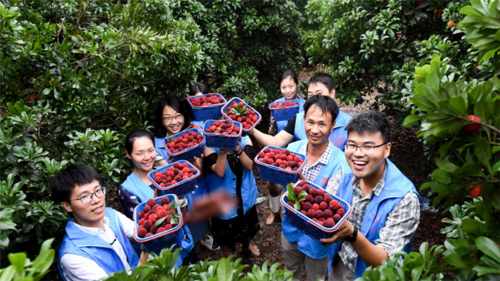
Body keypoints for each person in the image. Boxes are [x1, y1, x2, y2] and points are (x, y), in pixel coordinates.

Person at [54, 164, 235, 281]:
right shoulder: (73, 257)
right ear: (67, 206)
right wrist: (143, 258)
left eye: (97, 191)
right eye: (85, 196)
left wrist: (174, 210)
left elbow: (147, 231)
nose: (96, 200)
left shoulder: (110, 216)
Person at [321, 111, 423, 280]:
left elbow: (386, 261)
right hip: (341, 264)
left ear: (386, 149)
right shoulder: (344, 174)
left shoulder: (405, 198)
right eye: (352, 145)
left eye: (368, 146)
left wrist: (352, 234)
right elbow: (326, 204)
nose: (358, 154)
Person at [280, 95, 350, 281]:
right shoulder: (292, 149)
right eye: (310, 122)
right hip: (290, 228)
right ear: (303, 120)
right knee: (291, 271)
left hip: (318, 240)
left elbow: (331, 208)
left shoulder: (341, 164)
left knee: (316, 277)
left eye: (322, 124)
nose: (315, 130)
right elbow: (275, 189)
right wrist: (274, 177)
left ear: (333, 125)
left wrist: (305, 189)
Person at [153, 96, 217, 251]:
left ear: (184, 115)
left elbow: (198, 173)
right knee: (180, 231)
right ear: (161, 121)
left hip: (195, 193)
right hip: (175, 196)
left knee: (198, 225)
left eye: (177, 116)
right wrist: (174, 161)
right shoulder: (157, 143)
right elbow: (166, 176)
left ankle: (200, 243)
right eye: (167, 118)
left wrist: (192, 160)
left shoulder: (194, 133)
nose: (173, 122)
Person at [249, 72, 352, 151]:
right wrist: (252, 130)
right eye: (311, 95)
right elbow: (276, 142)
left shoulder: (349, 124)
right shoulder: (299, 118)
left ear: (332, 93)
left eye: (319, 93)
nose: (316, 99)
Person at [205, 135, 261, 258]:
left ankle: (246, 246)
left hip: (244, 194)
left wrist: (238, 149)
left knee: (244, 223)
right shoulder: (209, 146)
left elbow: (249, 166)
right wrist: (223, 149)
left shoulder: (246, 139)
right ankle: (226, 256)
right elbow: (220, 172)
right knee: (224, 230)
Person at [266, 70, 306, 225]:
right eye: (284, 87)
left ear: (296, 85)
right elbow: (271, 133)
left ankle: (285, 209)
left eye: (291, 86)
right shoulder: (277, 105)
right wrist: (272, 123)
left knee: (292, 181)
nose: (288, 90)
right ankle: (273, 210)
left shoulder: (304, 106)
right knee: (274, 180)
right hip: (280, 149)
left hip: (297, 150)